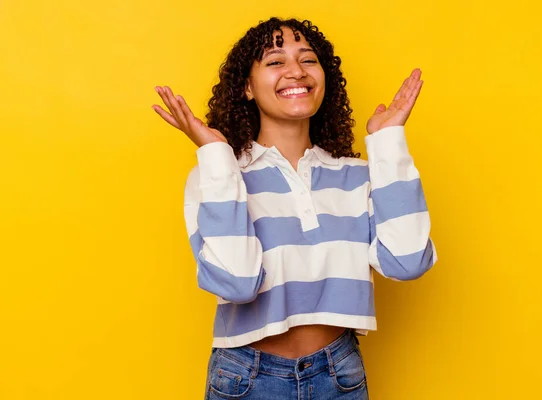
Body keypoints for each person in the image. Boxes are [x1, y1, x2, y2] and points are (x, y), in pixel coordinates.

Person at [152, 17, 437, 400]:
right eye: (275, 62)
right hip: (245, 378)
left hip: (340, 375)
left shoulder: (357, 176)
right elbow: (238, 284)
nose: (295, 71)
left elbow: (408, 262)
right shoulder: (219, 176)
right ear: (247, 87)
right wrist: (216, 156)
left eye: (308, 60)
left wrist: (388, 144)